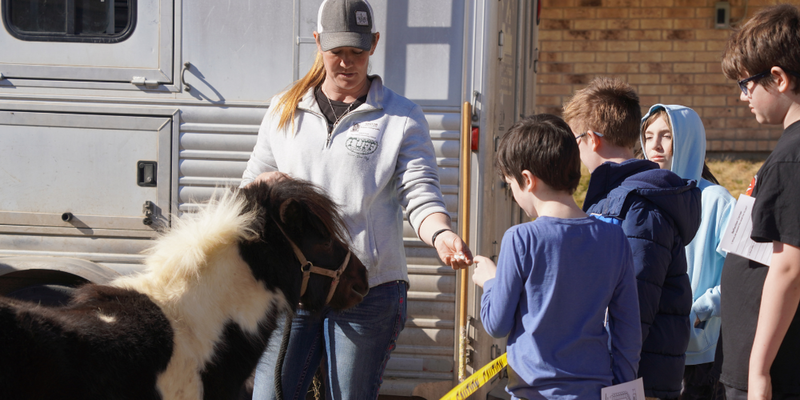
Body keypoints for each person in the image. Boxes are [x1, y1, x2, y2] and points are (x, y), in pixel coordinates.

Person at [240, 0, 473, 398]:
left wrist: (441, 234)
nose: (347, 63)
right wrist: (263, 182)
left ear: (374, 44)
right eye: (337, 53)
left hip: (368, 287)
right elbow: (248, 189)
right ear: (318, 44)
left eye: (357, 52)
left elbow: (420, 191)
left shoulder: (401, 117)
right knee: (270, 394)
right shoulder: (285, 110)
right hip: (297, 286)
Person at [472, 114, 641, 400]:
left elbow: (496, 323)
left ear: (527, 180)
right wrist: (621, 389)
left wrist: (491, 281)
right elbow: (628, 332)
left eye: (510, 184)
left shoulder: (520, 238)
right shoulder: (614, 239)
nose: (513, 194)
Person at [562, 77, 701, 400]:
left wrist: (612, 381)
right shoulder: (612, 195)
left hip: (635, 381)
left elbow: (634, 304)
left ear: (592, 140)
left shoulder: (638, 204)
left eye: (574, 141)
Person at [718, 4, 800, 400]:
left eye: (747, 84)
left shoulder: (792, 157)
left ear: (779, 79)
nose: (743, 97)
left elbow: (789, 269)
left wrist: (759, 372)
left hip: (773, 371)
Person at [641, 104, 736, 400]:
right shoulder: (641, 198)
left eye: (666, 136)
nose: (655, 145)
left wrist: (700, 311)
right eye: (648, 135)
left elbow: (746, 276)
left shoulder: (717, 200)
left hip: (700, 358)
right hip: (650, 350)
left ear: (688, 141)